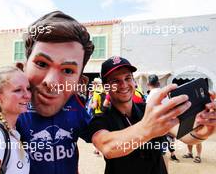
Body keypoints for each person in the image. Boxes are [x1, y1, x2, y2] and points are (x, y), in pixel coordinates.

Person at [88, 56, 216, 174]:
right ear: (106, 87)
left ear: (134, 81)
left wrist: (205, 130)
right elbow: (107, 147)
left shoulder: (149, 110)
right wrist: (148, 128)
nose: (123, 85)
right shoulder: (100, 120)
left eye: (127, 78)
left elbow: (186, 136)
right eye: (115, 81)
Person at [15, 11, 94, 174]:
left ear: (80, 81)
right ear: (22, 68)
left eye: (67, 70)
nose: (51, 83)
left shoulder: (76, 108)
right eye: (42, 64)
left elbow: (104, 139)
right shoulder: (14, 111)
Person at [146, 74, 179, 162]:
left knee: (159, 147)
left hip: (156, 126)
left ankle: (163, 156)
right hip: (167, 122)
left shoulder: (149, 96)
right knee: (169, 141)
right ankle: (171, 154)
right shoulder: (165, 93)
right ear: (158, 83)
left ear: (148, 84)